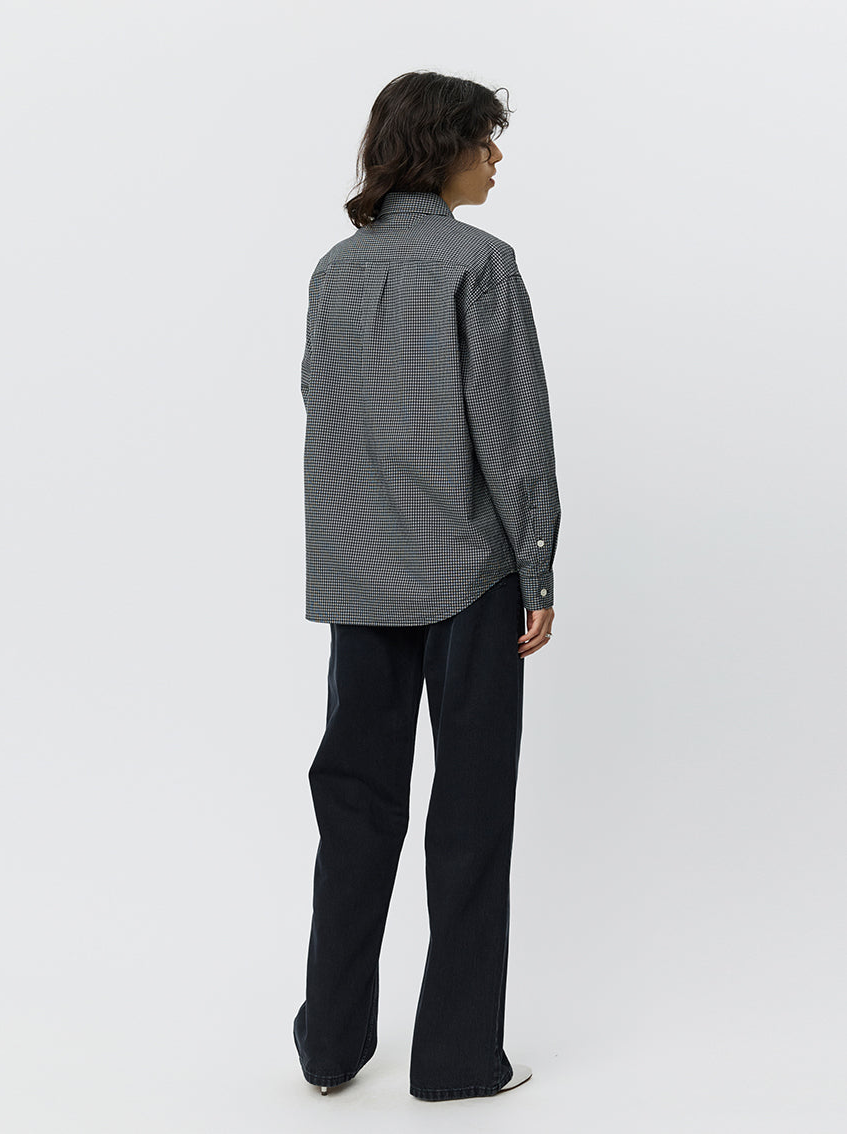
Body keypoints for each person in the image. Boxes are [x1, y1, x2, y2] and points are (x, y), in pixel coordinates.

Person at [292, 70, 561, 1102]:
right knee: (469, 813)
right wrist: (536, 562)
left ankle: (329, 1047)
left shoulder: (334, 270)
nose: (496, 160)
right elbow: (512, 431)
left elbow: (322, 410)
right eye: (485, 142)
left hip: (358, 571)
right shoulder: (480, 263)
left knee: (354, 807)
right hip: (464, 572)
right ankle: (455, 1060)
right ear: (442, 147)